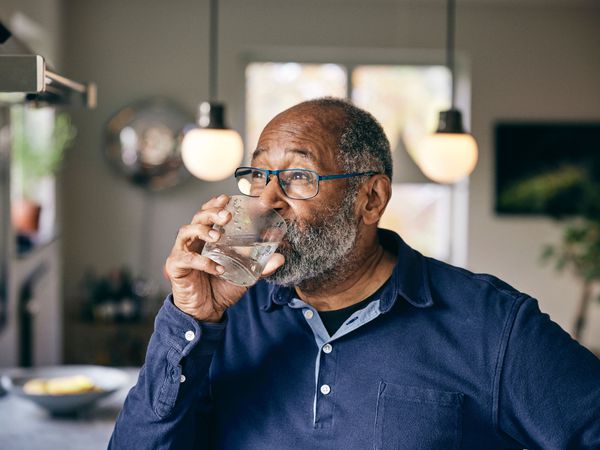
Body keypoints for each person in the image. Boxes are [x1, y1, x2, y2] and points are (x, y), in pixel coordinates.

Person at [109, 98, 600, 449]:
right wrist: (190, 318)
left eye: (299, 177)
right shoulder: (221, 316)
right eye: (259, 175)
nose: (266, 201)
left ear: (371, 199)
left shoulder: (492, 325)